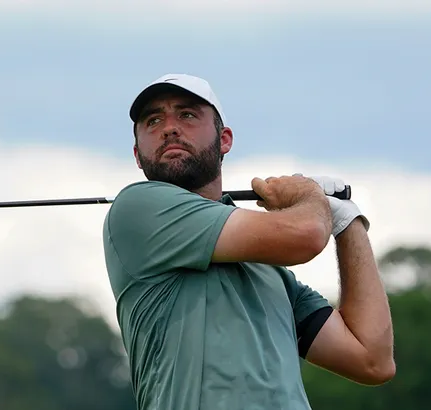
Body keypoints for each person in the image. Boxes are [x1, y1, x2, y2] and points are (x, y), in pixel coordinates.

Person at [101, 73, 395, 410]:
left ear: (224, 139)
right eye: (153, 120)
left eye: (187, 114)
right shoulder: (138, 208)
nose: (169, 128)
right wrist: (310, 196)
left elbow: (372, 359)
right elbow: (307, 235)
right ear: (137, 155)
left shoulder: (268, 270)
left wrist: (347, 222)